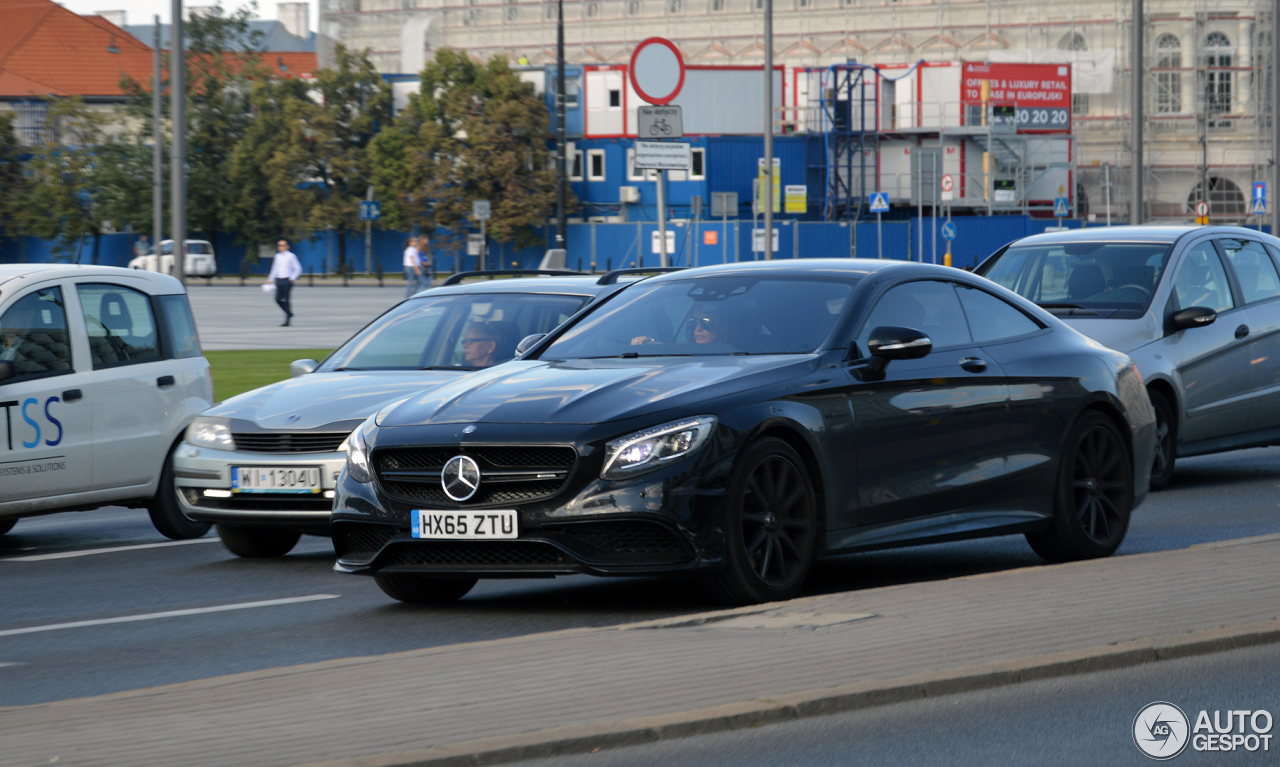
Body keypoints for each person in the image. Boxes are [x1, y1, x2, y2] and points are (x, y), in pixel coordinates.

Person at [266, 238, 302, 326]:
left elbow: (298, 268)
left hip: (287, 280)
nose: (280, 247)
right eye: (279, 245)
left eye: (282, 245)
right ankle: (289, 312)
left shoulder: (291, 256)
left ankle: (287, 321)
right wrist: (270, 279)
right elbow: (274, 268)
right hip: (279, 280)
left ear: (287, 246)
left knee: (286, 300)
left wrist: (292, 277)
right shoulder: (277, 256)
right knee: (277, 299)